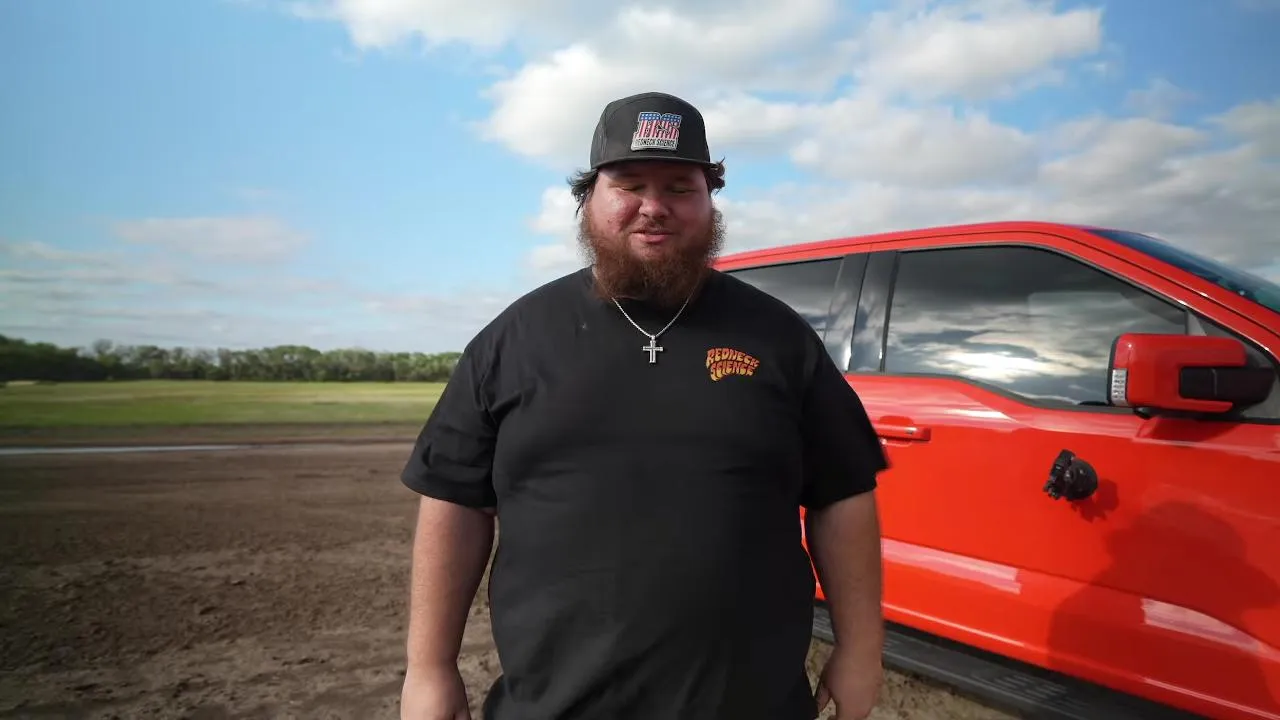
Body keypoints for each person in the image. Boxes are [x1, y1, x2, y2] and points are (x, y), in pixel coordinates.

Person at [398, 90, 889, 720]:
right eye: (629, 185)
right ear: (588, 199)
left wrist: (861, 648)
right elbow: (454, 500)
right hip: (555, 706)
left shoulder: (778, 337)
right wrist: (430, 668)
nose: (653, 207)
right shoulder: (513, 341)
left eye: (680, 187)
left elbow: (843, 495)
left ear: (710, 200)